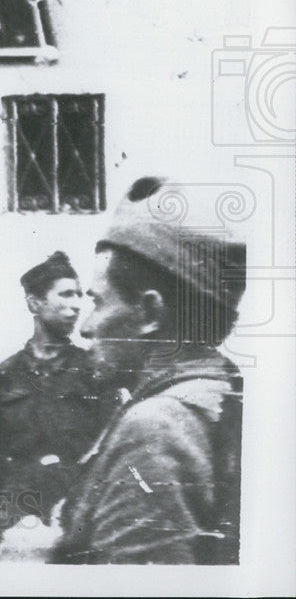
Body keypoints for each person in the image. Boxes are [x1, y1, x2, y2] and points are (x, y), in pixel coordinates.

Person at [50, 176, 246, 564]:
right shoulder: (216, 390)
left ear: (150, 313)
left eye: (99, 302)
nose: (86, 326)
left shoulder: (155, 428)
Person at [0, 251, 108, 522]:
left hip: (78, 510)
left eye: (78, 296)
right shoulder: (3, 376)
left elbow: (109, 449)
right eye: (65, 295)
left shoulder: (94, 371)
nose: (76, 306)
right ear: (34, 304)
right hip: (17, 512)